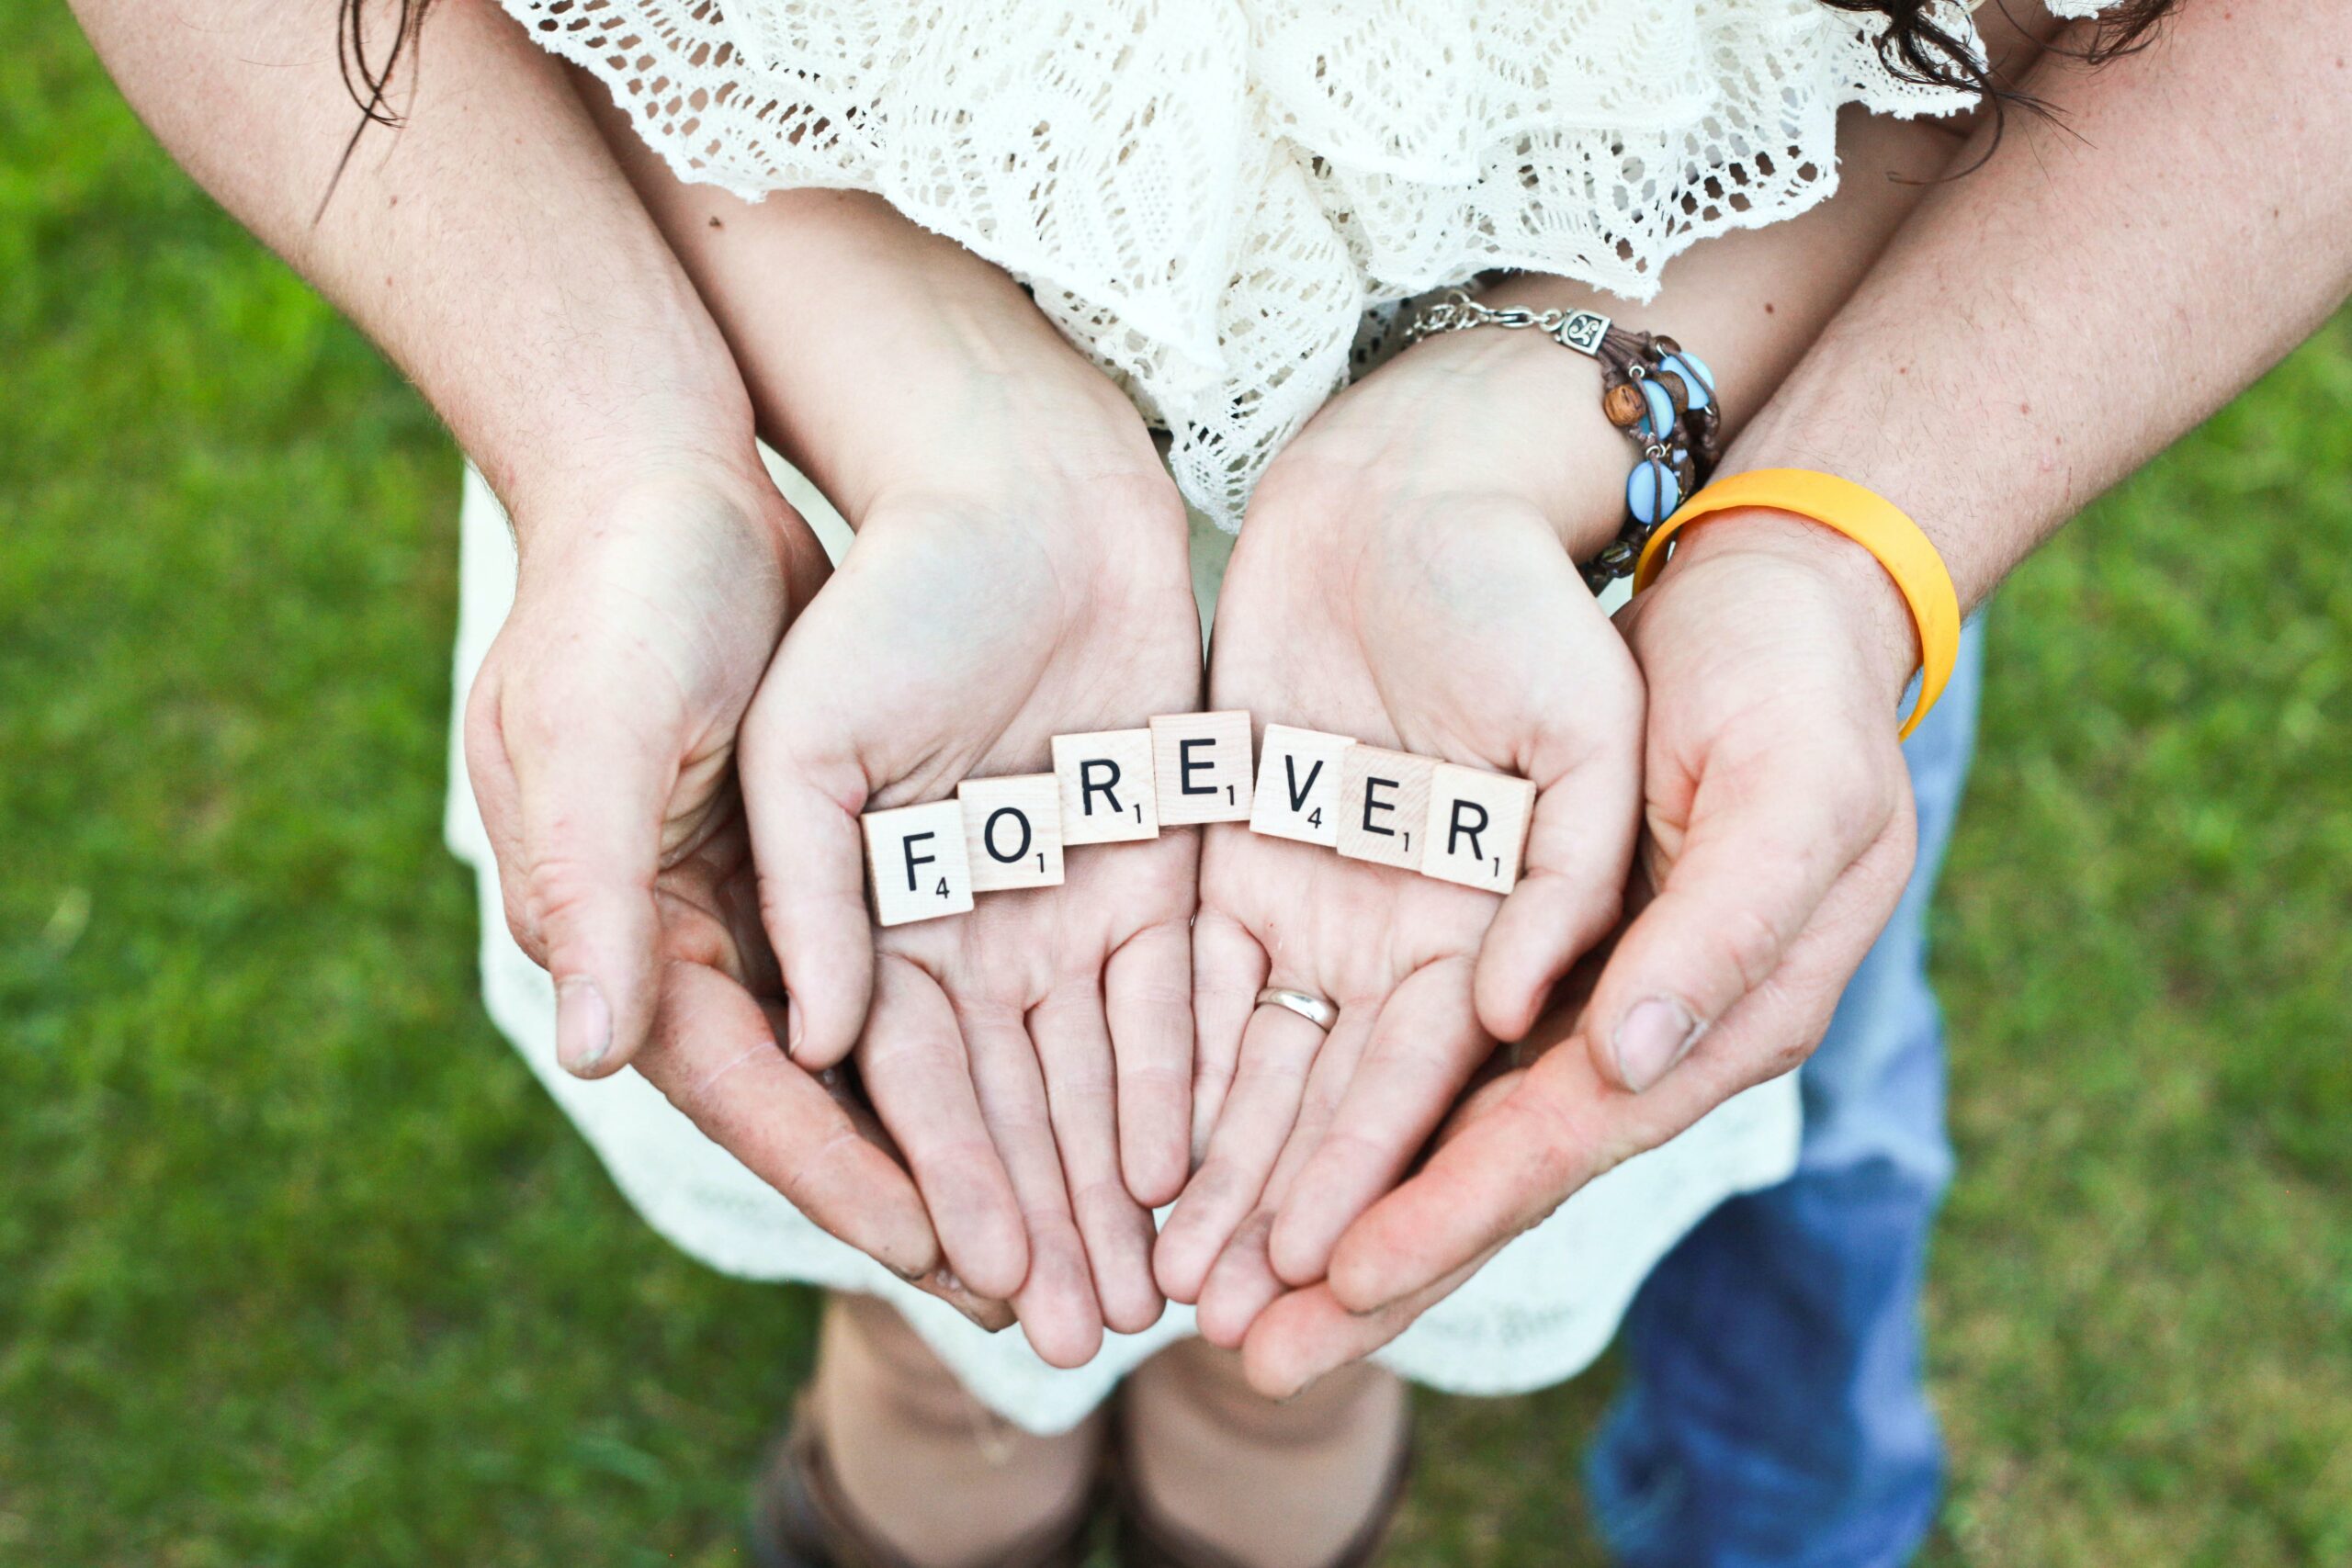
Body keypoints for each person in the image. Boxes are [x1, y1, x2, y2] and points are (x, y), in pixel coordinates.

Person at [68, 1, 2350, 1564]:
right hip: (810, 448)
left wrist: (1830, 541)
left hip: (1623, 550)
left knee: (1315, 1324)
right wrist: (622, 446)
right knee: (945, 1316)